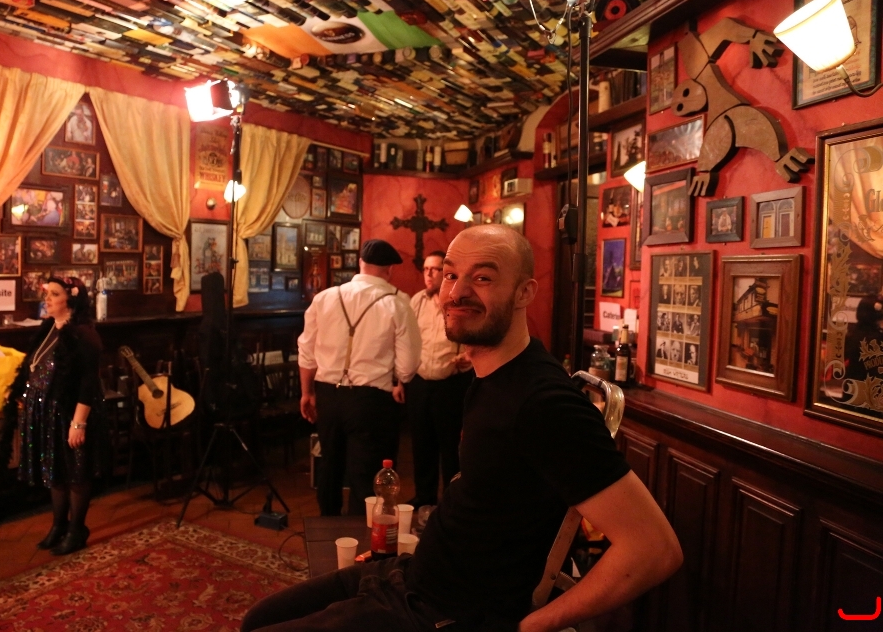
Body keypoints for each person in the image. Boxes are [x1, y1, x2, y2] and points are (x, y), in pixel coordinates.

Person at [243, 225, 682, 632]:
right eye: (451, 276)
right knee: (258, 618)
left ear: (525, 292)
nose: (457, 292)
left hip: (438, 612)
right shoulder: (488, 375)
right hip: (407, 574)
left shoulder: (543, 402)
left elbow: (654, 549)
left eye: (483, 278)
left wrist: (535, 625)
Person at [297, 239, 420, 517]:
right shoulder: (398, 303)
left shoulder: (325, 298)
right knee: (365, 473)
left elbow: (306, 351)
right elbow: (408, 366)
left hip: (328, 394)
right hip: (371, 400)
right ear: (389, 269)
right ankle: (358, 534)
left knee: (329, 465)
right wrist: (399, 377)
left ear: (360, 264)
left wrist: (307, 393)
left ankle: (327, 528)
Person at [0, 277, 103, 556]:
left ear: (72, 299)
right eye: (48, 294)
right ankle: (59, 525)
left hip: (69, 413)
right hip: (47, 412)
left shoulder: (83, 334)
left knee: (75, 472)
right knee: (55, 471)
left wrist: (78, 423)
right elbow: (34, 367)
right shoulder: (49, 327)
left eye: (54, 294)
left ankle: (77, 529)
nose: (47, 299)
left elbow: (89, 383)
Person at [402, 250, 473, 509]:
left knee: (450, 447)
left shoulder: (459, 300)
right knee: (422, 444)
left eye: (434, 269)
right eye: (425, 269)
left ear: (446, 273)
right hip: (420, 381)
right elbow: (407, 339)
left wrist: (469, 356)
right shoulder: (417, 301)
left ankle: (451, 501)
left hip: (450, 383)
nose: (428, 274)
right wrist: (400, 380)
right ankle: (425, 497)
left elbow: (474, 334)